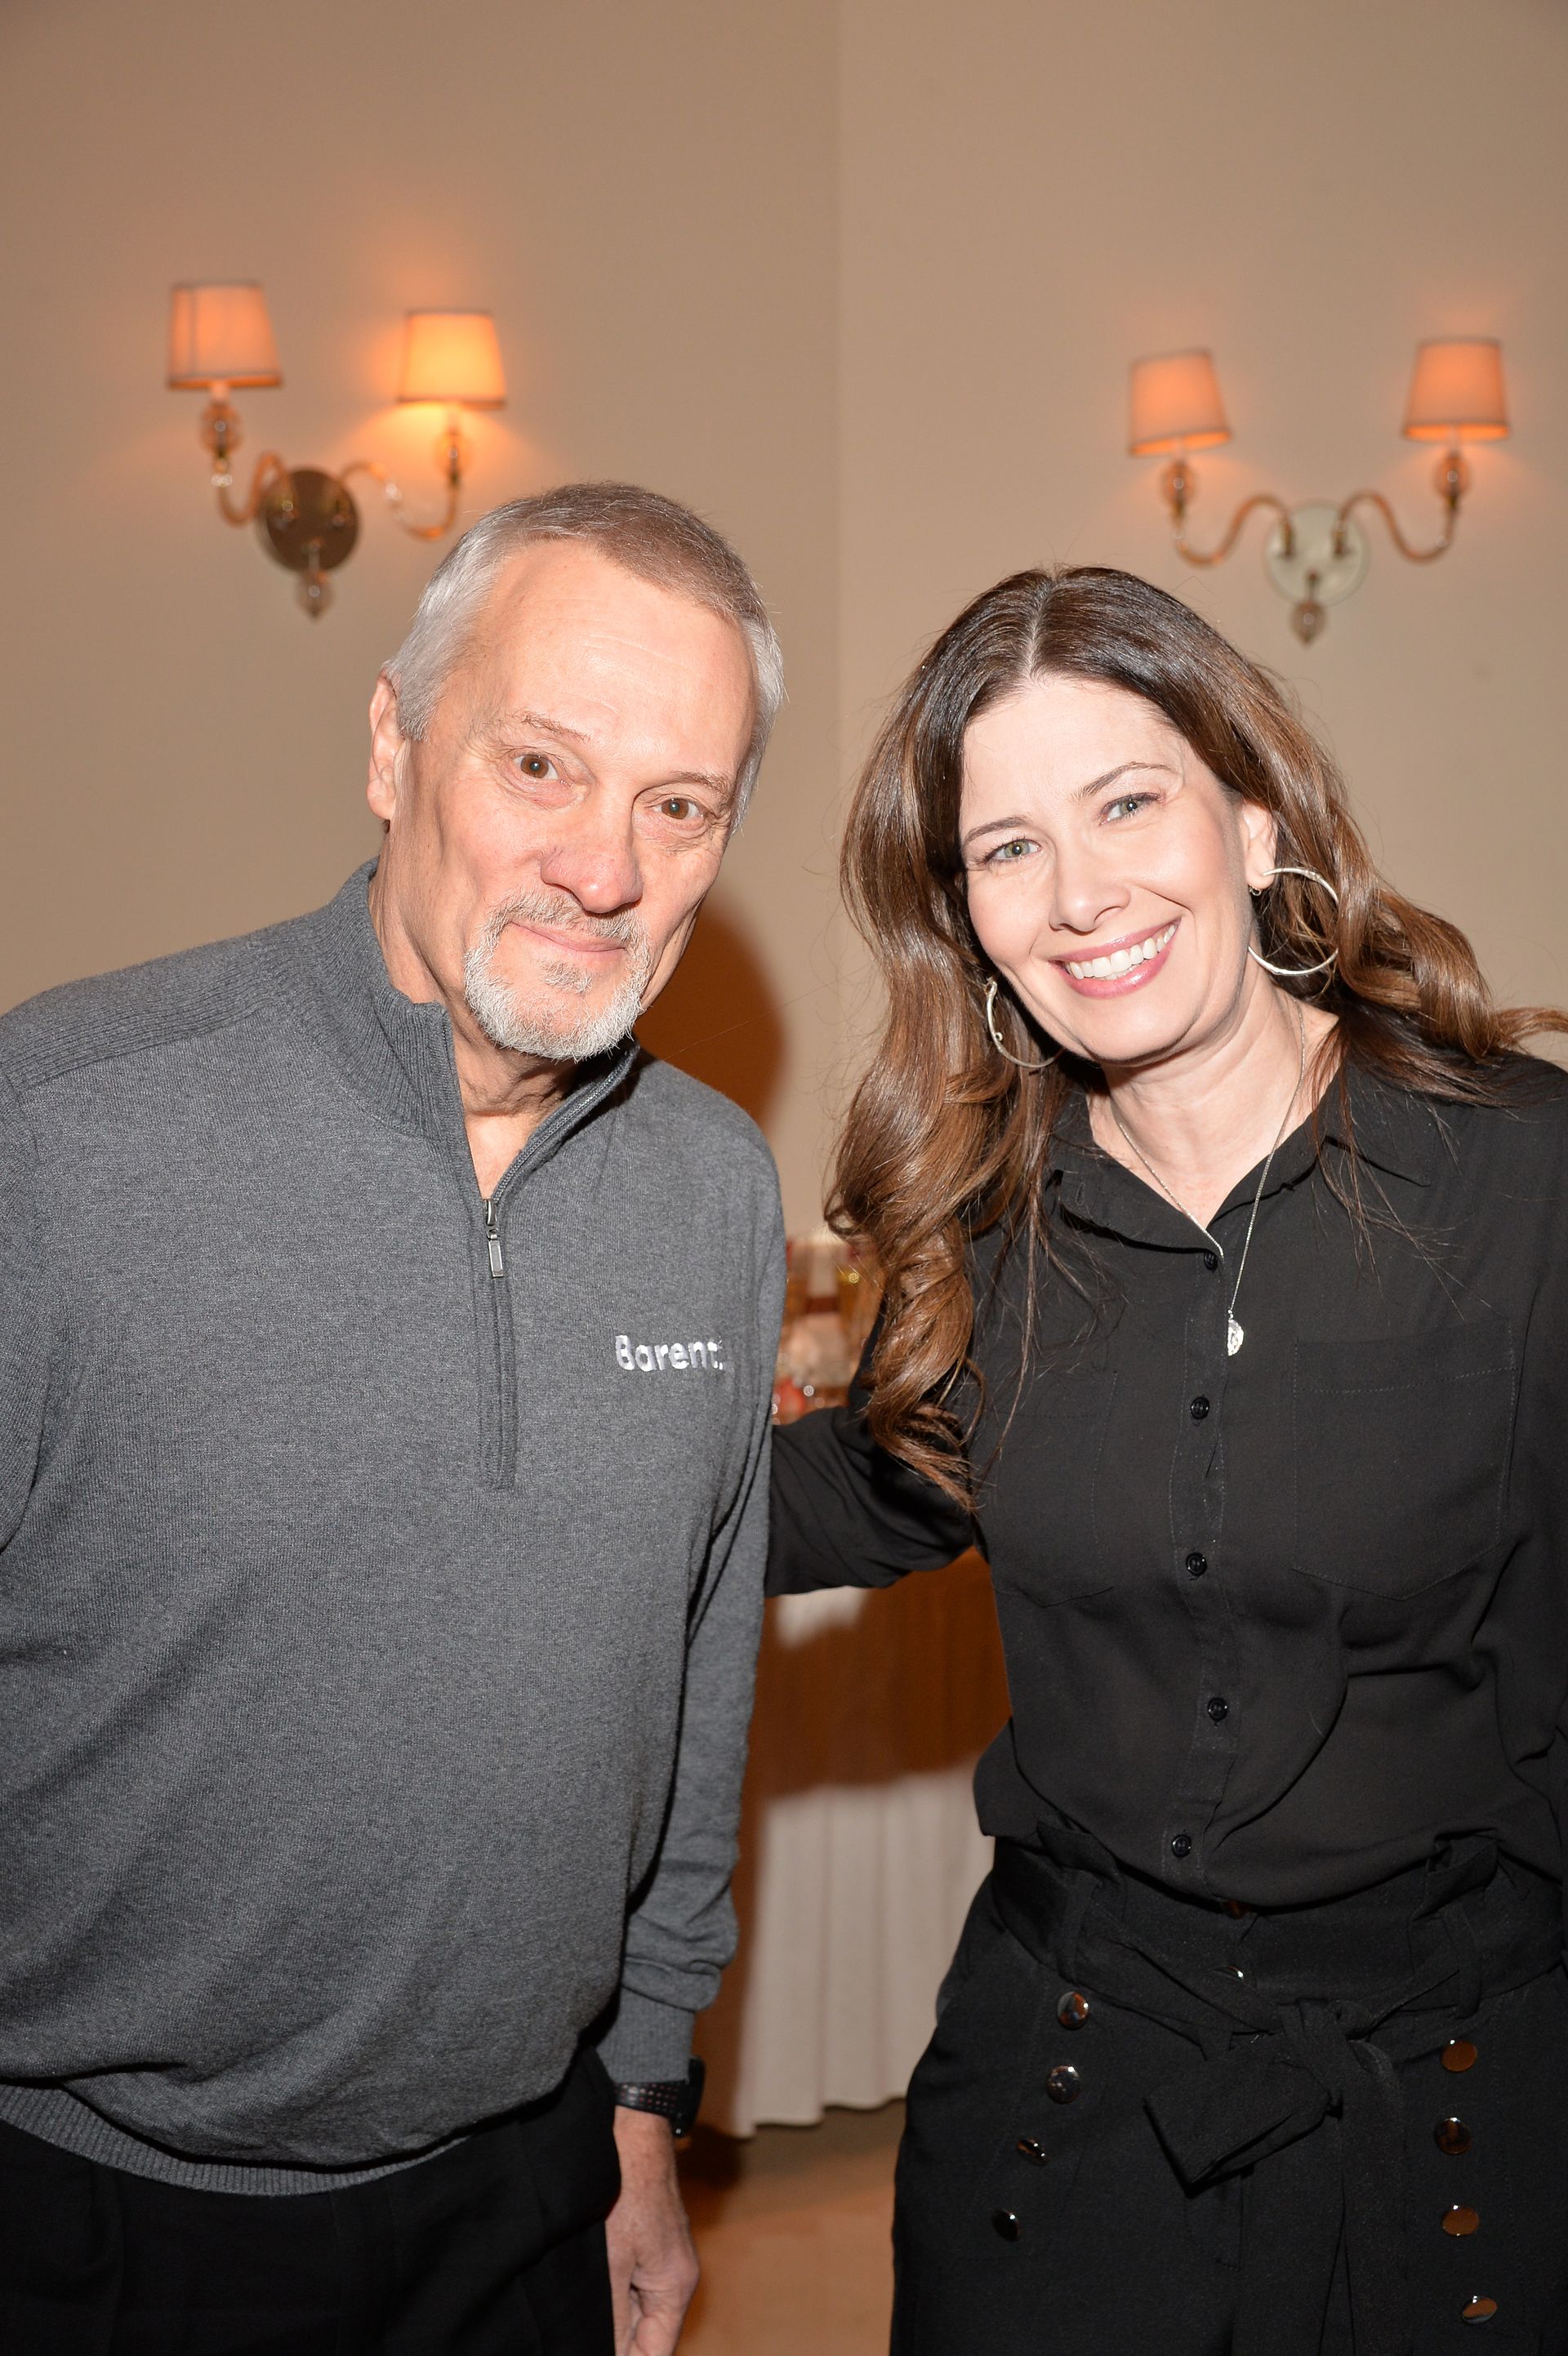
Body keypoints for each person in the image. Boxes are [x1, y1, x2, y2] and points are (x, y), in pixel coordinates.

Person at [0, 482, 786, 2356]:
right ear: (392, 744)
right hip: (87, 2218)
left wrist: (646, 2111)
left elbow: (695, 1695)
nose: (605, 867)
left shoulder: (715, 1188)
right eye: (541, 765)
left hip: (517, 2199)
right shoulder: (61, 1132)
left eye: (678, 808)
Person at [769, 564, 1568, 2354]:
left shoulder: (1527, 1187)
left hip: (1456, 2103)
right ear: (967, 918)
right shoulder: (990, 1234)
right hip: (1068, 2100)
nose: (1080, 897)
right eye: (1009, 851)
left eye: (1128, 803)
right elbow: (878, 1486)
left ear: (1253, 818)